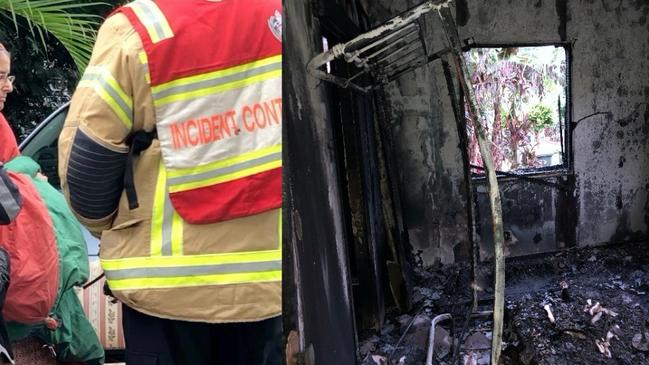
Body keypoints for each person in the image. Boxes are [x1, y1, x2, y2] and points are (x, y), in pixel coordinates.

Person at [59, 0, 282, 364]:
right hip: (267, 287)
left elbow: (87, 167)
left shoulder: (139, 29)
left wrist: (112, 228)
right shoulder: (281, 22)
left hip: (163, 291)